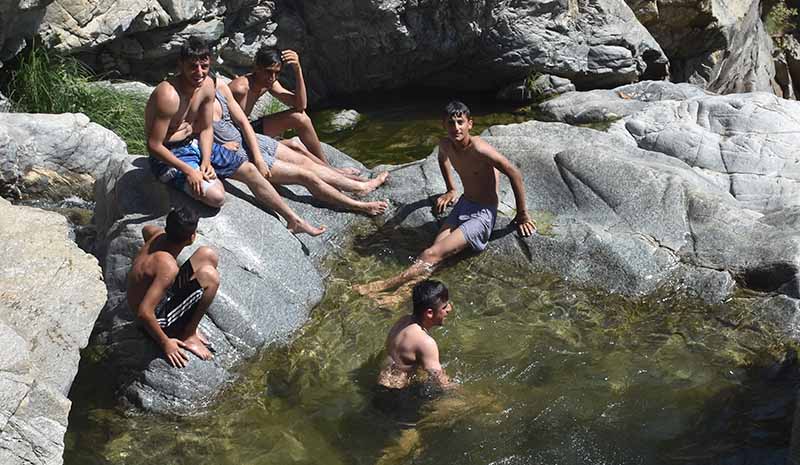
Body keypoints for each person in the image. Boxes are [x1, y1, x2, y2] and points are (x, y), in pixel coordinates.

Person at [145, 36, 325, 236]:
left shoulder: (207, 85)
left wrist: (205, 161)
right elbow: (154, 145)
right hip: (169, 154)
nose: (199, 72)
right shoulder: (168, 96)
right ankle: (204, 178)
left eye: (204, 66)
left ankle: (294, 220)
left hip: (194, 143)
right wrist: (190, 171)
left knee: (249, 169)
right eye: (193, 66)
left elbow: (205, 128)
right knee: (216, 197)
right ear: (181, 65)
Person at [355, 101, 536, 295]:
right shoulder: (445, 145)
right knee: (436, 252)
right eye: (451, 123)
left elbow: (514, 173)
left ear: (470, 124)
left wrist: (522, 215)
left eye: (460, 122)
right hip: (464, 204)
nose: (456, 127)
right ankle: (401, 296)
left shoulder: (479, 149)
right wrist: (451, 189)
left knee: (430, 254)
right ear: (444, 124)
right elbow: (443, 160)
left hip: (482, 215)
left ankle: (384, 285)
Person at [212, 78, 389, 216]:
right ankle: (360, 205)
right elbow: (189, 136)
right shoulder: (191, 102)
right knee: (306, 176)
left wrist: (258, 154)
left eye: (204, 67)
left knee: (306, 161)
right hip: (241, 153)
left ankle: (361, 185)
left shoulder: (219, 85)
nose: (200, 72)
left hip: (255, 140)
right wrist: (219, 148)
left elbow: (243, 121)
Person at [228, 46, 359, 176]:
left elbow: (300, 106)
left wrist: (298, 70)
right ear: (257, 68)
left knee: (301, 118)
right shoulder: (240, 88)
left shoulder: (269, 83)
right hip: (232, 136)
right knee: (294, 146)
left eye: (277, 73)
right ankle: (332, 172)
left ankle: (328, 169)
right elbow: (214, 116)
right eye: (268, 72)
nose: (272, 77)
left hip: (246, 129)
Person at [126, 208, 217, 368]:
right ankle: (188, 334)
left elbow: (145, 229)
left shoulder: (156, 234)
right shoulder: (168, 267)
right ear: (192, 237)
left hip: (160, 293)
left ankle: (186, 324)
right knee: (210, 276)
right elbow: (144, 312)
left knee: (207, 254)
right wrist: (165, 343)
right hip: (155, 320)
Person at [377, 280, 453, 390]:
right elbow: (441, 382)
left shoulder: (402, 321)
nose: (450, 309)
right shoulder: (426, 343)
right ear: (429, 313)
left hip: (383, 382)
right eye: (444, 307)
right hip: (397, 394)